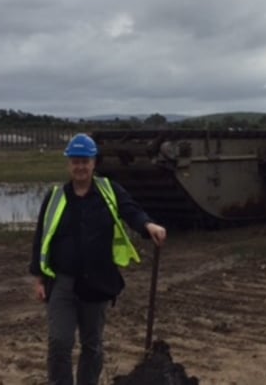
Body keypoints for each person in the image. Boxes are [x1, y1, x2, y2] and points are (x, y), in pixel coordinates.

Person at [29, 133, 167, 385]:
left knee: (92, 345)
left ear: (94, 163)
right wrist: (39, 278)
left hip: (97, 281)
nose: (80, 166)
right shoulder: (55, 196)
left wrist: (148, 225)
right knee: (59, 342)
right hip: (62, 282)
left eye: (85, 161)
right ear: (69, 164)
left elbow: (131, 211)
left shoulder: (109, 190)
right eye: (75, 161)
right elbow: (41, 236)